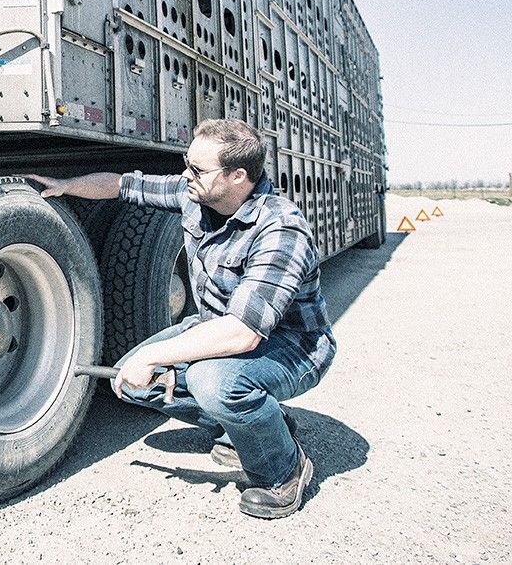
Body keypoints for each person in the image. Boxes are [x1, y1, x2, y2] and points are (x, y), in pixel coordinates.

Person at [25, 118, 335, 519]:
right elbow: (120, 184)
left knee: (214, 382)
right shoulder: (196, 194)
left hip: (292, 346)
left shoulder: (281, 228)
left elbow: (243, 332)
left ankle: (283, 471)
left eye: (197, 169)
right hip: (217, 326)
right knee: (128, 382)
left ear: (238, 176)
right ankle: (258, 424)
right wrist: (67, 186)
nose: (185, 175)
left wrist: (157, 358)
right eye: (186, 164)